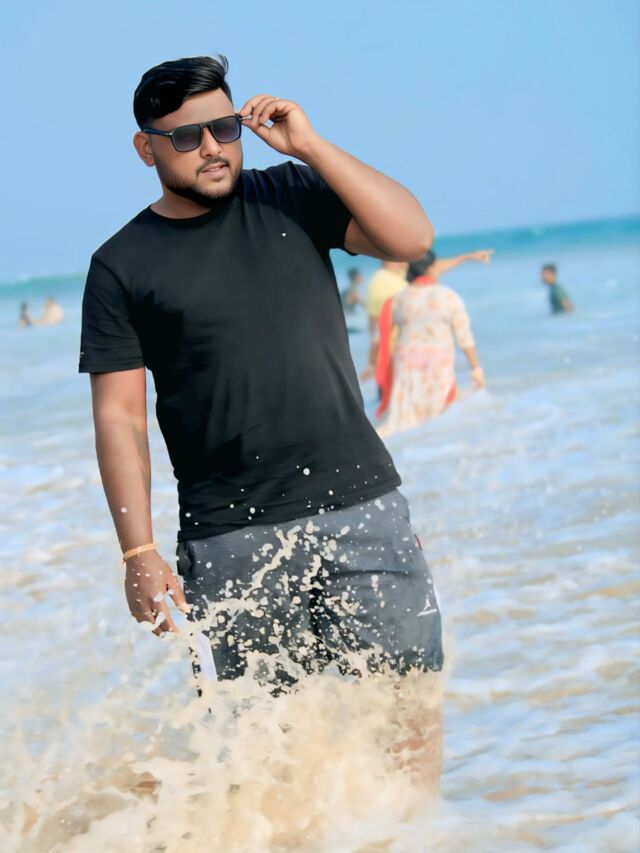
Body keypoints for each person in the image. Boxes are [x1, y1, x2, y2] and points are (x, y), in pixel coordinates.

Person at [78, 55, 443, 707]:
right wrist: (138, 552)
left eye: (224, 128)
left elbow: (412, 238)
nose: (212, 148)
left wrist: (310, 146)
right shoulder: (120, 266)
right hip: (230, 538)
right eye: (186, 137)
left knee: (406, 715)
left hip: (361, 506)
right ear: (146, 148)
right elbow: (120, 417)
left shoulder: (292, 193)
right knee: (260, 744)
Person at [376, 250, 490, 437]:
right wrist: (476, 369)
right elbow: (464, 336)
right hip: (437, 360)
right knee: (437, 416)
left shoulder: (398, 299)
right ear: (431, 268)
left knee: (406, 417)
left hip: (406, 361)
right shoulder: (447, 296)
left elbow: (385, 336)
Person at [360, 261, 408, 386]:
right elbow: (377, 326)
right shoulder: (382, 281)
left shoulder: (396, 277)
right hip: (392, 354)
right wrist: (373, 362)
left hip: (401, 353)